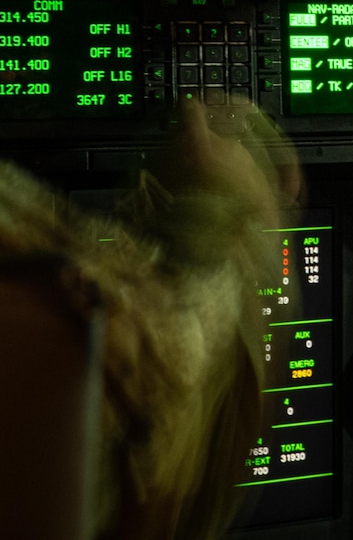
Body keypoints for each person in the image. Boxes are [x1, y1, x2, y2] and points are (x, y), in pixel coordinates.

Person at [0, 105, 300, 538]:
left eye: (226, 131)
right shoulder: (181, 450)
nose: (191, 118)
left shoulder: (97, 323)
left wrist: (244, 204)